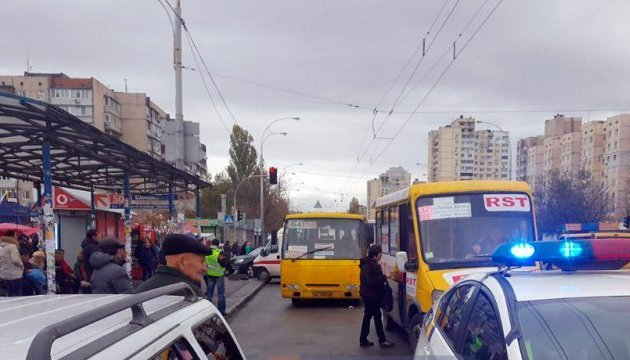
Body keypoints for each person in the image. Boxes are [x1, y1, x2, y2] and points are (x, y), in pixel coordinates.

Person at [136, 233, 212, 296]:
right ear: (182, 262)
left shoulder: (141, 290)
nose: (205, 268)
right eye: (201, 262)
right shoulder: (190, 293)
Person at [359, 244, 394, 348]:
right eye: (380, 254)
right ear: (376, 254)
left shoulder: (365, 264)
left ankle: (364, 339)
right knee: (376, 317)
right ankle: (381, 340)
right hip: (372, 296)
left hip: (367, 295)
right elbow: (372, 281)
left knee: (369, 317)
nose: (381, 256)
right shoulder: (372, 266)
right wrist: (385, 276)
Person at [205, 238, 228, 316]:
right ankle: (221, 312)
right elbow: (223, 263)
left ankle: (208, 311)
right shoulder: (219, 252)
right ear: (218, 245)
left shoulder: (207, 251)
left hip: (210, 274)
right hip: (219, 275)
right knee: (220, 295)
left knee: (209, 294)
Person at [0, 231, 24, 296]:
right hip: (14, 275)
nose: (16, 237)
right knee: (16, 295)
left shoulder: (1, 246)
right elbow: (15, 260)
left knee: (7, 295)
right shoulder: (12, 246)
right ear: (11, 237)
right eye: (15, 235)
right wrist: (21, 265)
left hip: (3, 274)